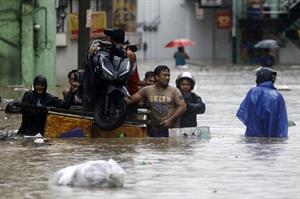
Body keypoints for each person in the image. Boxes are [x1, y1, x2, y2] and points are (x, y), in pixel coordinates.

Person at [126, 65, 187, 137]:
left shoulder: (174, 91)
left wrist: (170, 120)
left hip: (171, 130)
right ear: (157, 77)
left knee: (171, 147)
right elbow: (131, 100)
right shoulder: (147, 90)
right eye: (164, 75)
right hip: (155, 130)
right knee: (154, 147)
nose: (167, 78)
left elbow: (183, 107)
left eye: (168, 75)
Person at [236, 67, 288, 138]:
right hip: (274, 139)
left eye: (257, 77)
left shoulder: (252, 92)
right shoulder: (277, 96)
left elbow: (243, 113)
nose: (256, 79)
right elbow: (281, 120)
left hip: (252, 137)